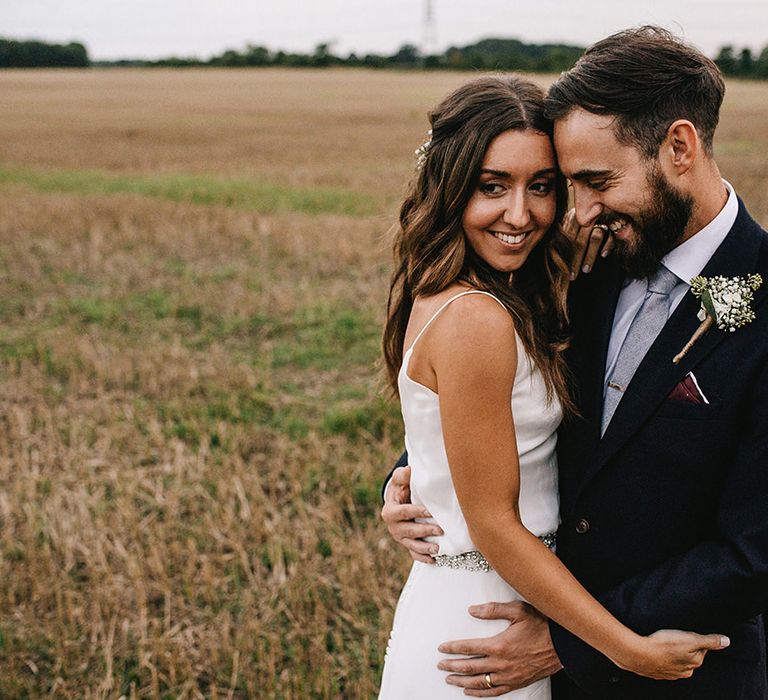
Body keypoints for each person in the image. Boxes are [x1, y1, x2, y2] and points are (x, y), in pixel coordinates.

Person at [382, 27, 768, 699]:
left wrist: (573, 644)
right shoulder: (585, 264)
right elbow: (503, 405)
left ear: (679, 147)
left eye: (597, 182)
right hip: (512, 643)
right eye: (571, 185)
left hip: (678, 672)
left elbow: (753, 552)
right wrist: (416, 476)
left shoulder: (756, 296)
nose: (578, 211)